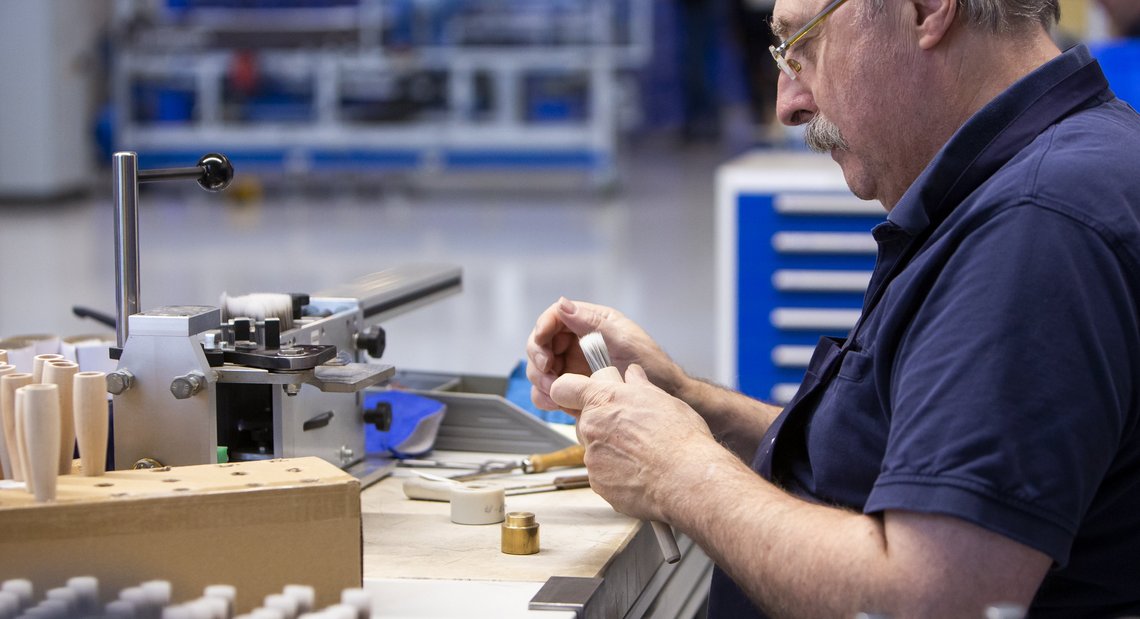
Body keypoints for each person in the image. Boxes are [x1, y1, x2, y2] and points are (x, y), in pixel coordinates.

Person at [525, 0, 1140, 616]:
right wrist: (687, 402)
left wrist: (678, 471)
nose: (787, 103)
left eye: (804, 46)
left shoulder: (1037, 226)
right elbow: (890, 464)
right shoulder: (1030, 178)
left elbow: (933, 597)